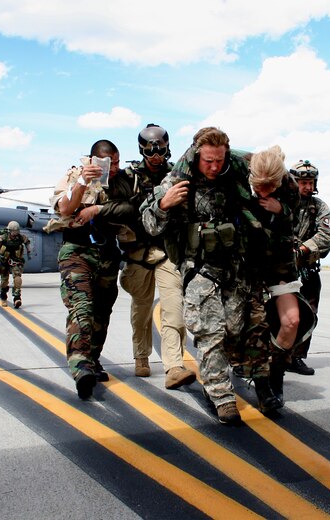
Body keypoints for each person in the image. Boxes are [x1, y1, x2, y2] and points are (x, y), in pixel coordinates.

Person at [142, 127, 279, 424]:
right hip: (199, 265)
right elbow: (148, 223)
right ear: (196, 154)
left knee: (236, 328)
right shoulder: (178, 177)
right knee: (209, 331)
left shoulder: (241, 168)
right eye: (208, 161)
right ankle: (220, 394)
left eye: (219, 160)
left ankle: (250, 378)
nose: (214, 167)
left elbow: (275, 174)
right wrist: (164, 205)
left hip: (236, 264)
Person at [52, 139, 136, 400]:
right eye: (107, 162)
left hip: (108, 253)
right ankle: (81, 368)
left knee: (101, 312)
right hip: (76, 250)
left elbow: (132, 208)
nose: (113, 168)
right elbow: (64, 207)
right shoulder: (74, 176)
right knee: (82, 307)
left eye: (117, 162)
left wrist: (98, 209)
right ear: (93, 160)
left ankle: (93, 359)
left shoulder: (124, 181)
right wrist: (83, 183)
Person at [237, 145, 313, 413]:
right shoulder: (239, 169)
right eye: (259, 187)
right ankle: (263, 387)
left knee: (292, 321)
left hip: (279, 260)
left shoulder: (290, 187)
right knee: (256, 325)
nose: (263, 192)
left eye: (270, 187)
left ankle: (275, 373)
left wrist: (281, 210)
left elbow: (292, 224)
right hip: (249, 262)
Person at [120, 124, 195, 389]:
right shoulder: (128, 177)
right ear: (141, 149)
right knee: (141, 310)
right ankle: (141, 356)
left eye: (160, 150)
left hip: (167, 252)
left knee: (174, 308)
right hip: (137, 253)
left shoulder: (177, 175)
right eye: (149, 150)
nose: (155, 155)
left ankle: (174, 365)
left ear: (167, 147)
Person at [288, 160, 330, 375]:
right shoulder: (282, 202)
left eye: (311, 182)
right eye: (303, 182)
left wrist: (304, 249)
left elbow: (327, 234)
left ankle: (296, 357)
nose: (308, 186)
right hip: (279, 271)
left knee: (309, 314)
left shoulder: (318, 206)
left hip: (307, 271)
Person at [0, 221, 31, 308]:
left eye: (17, 231)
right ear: (10, 230)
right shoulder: (3, 238)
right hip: (4, 260)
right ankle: (3, 297)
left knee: (18, 278)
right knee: (4, 281)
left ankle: (17, 298)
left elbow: (27, 242)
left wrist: (29, 252)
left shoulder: (21, 237)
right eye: (14, 231)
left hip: (16, 260)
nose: (16, 233)